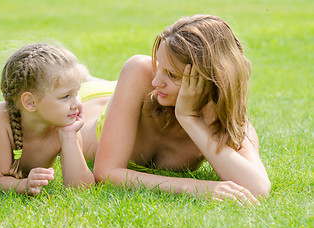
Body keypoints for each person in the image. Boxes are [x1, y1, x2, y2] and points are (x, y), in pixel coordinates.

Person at [80, 14, 271, 204]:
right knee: (73, 79)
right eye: (159, 67)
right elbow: (106, 173)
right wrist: (193, 187)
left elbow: (259, 188)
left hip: (133, 96)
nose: (156, 81)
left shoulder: (230, 126)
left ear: (210, 78)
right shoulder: (142, 73)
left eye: (172, 74)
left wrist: (188, 117)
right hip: (91, 100)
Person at [0, 43, 95, 196]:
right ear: (30, 102)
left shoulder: (65, 124)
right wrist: (24, 185)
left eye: (77, 92)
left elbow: (81, 189)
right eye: (66, 96)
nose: (77, 103)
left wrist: (68, 135)